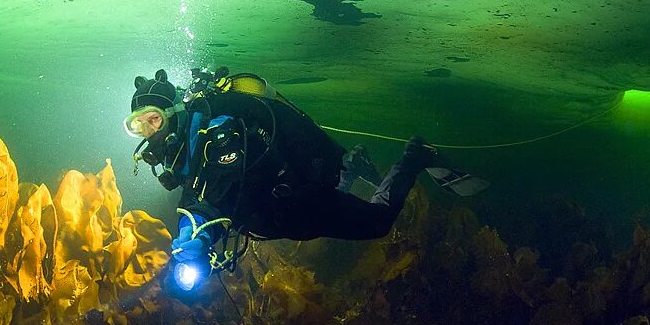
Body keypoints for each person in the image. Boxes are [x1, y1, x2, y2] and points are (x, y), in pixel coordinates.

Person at [124, 68, 436, 269]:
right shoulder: (181, 149)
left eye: (154, 119)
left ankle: (413, 158)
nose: (150, 132)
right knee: (324, 210)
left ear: (174, 112)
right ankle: (349, 167)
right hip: (277, 215)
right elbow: (206, 190)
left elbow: (222, 193)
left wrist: (199, 234)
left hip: (299, 203)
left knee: (378, 224)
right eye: (138, 126)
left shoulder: (218, 134)